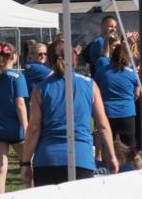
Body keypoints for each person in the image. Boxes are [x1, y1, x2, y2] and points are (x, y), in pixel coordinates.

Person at [21, 40, 117, 186]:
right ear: (74, 58)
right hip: (81, 159)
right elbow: (102, 124)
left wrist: (25, 162)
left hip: (47, 160)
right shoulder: (90, 85)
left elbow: (34, 128)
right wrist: (111, 156)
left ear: (49, 60)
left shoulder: (40, 89)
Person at [0, 43, 29, 194]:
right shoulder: (17, 77)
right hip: (15, 128)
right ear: (14, 56)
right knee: (28, 163)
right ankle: (32, 194)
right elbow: (20, 104)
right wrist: (26, 127)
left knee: (0, 169)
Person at [95, 42, 141, 166]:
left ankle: (106, 167)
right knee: (130, 144)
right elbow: (137, 94)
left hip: (107, 113)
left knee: (107, 143)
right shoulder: (132, 74)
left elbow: (95, 89)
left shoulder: (102, 71)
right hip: (127, 113)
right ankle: (132, 168)